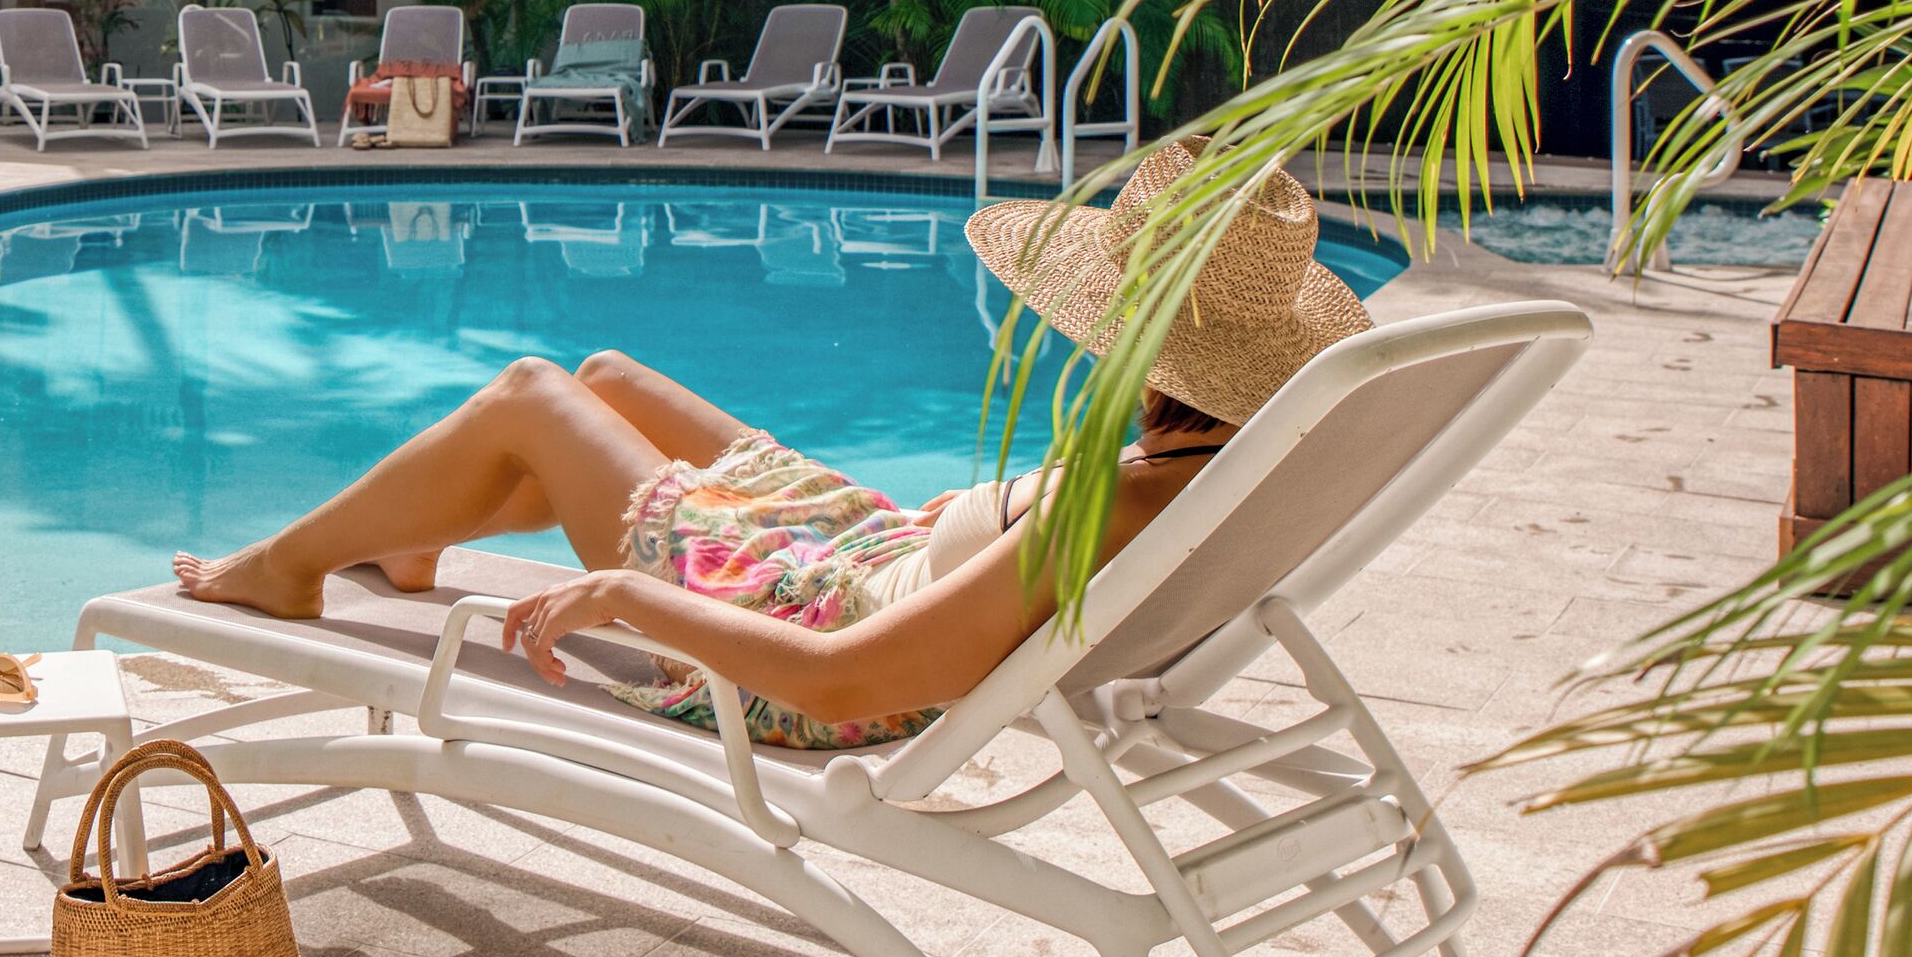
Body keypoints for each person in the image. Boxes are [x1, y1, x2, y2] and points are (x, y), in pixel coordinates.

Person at [173, 138, 1371, 748]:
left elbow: (847, 679)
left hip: (812, 624)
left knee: (537, 394)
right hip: (872, 549)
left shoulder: (1117, 513)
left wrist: (629, 595)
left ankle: (288, 567)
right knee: (608, 381)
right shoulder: (1225, 461)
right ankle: (414, 540)